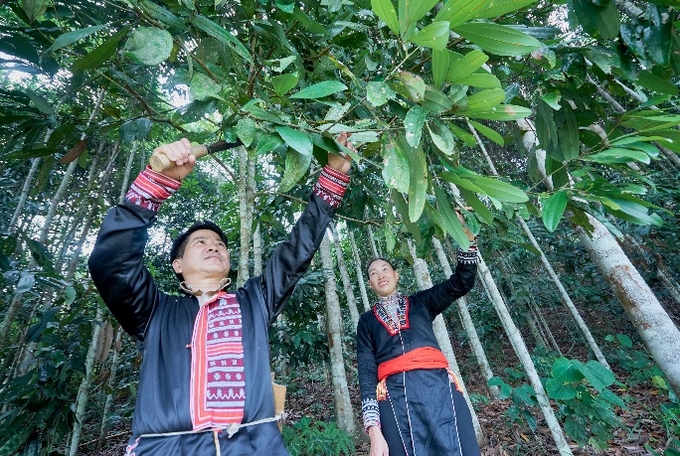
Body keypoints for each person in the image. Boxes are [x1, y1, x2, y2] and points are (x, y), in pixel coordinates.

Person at [89, 134, 353, 455]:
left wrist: (334, 177)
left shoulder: (254, 302)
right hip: (166, 448)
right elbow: (111, 261)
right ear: (177, 264)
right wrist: (157, 181)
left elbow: (297, 251)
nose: (214, 245)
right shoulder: (155, 312)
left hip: (255, 446)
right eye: (200, 242)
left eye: (220, 244)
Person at [356, 214, 481, 456]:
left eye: (385, 269)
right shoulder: (367, 321)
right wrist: (373, 430)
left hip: (440, 386)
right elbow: (367, 371)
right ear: (371, 284)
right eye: (373, 273)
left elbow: (460, 283)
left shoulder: (421, 303)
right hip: (394, 397)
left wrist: (466, 238)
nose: (380, 274)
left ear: (396, 275)